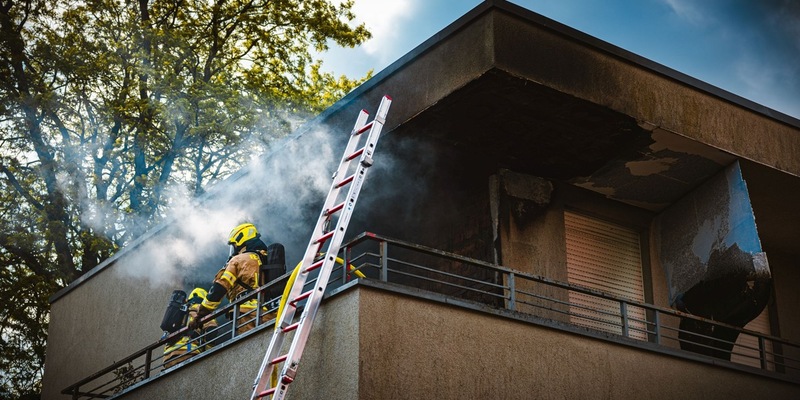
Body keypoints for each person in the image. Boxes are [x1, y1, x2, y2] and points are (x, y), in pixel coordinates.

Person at [192, 222, 287, 335]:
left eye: (233, 246)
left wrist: (200, 315)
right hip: (270, 313)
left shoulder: (239, 260)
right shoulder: (265, 258)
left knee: (251, 347)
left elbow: (219, 288)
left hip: (246, 315)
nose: (233, 250)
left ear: (240, 241)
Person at [163, 288, 219, 368]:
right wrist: (209, 354)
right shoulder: (202, 310)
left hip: (167, 358)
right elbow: (211, 331)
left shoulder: (180, 310)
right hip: (187, 352)